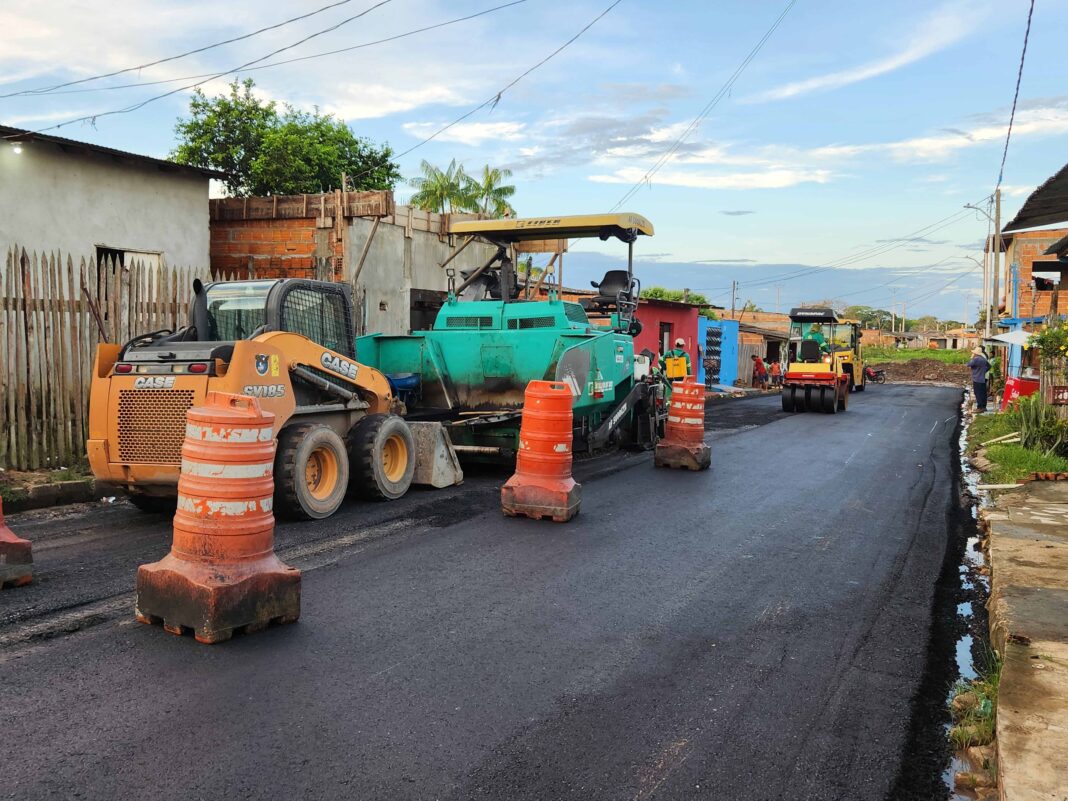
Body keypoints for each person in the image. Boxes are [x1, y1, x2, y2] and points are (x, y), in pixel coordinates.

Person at [967, 346, 990, 413]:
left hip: (976, 379)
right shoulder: (983, 359)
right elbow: (989, 366)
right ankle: (984, 407)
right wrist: (984, 371)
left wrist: (972, 357)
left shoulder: (976, 359)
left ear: (975, 353)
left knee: (977, 393)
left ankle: (979, 407)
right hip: (982, 378)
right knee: (983, 393)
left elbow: (968, 364)